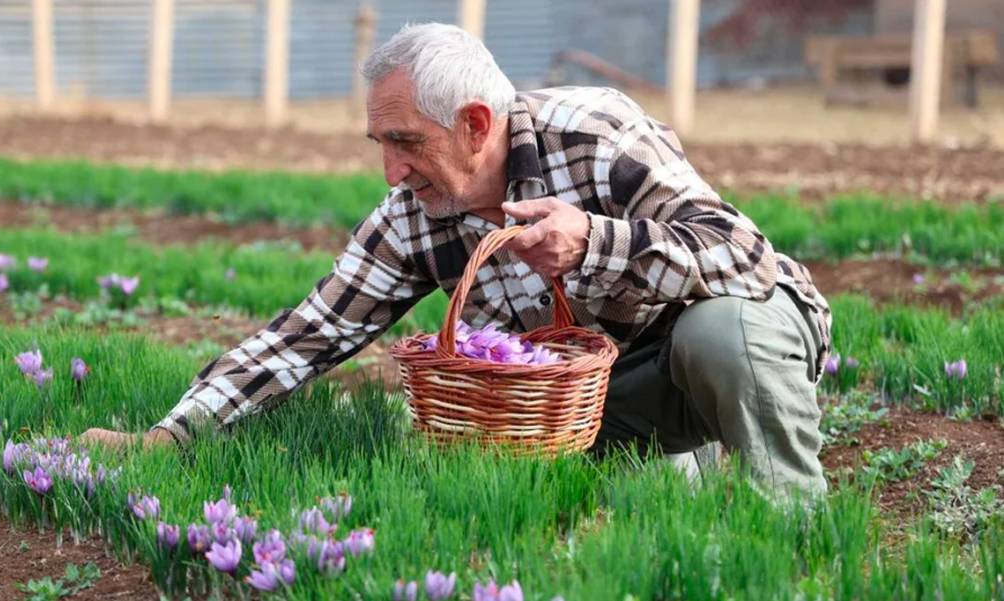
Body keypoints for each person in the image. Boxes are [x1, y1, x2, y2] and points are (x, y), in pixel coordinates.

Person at [82, 22, 832, 495]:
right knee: (531, 459)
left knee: (719, 334)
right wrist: (171, 435)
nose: (392, 173)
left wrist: (593, 243)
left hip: (730, 331)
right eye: (381, 146)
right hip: (602, 395)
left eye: (406, 143)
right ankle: (675, 471)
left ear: (476, 124)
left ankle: (795, 531)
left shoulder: (595, 134)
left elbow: (743, 253)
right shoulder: (415, 216)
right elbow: (309, 331)